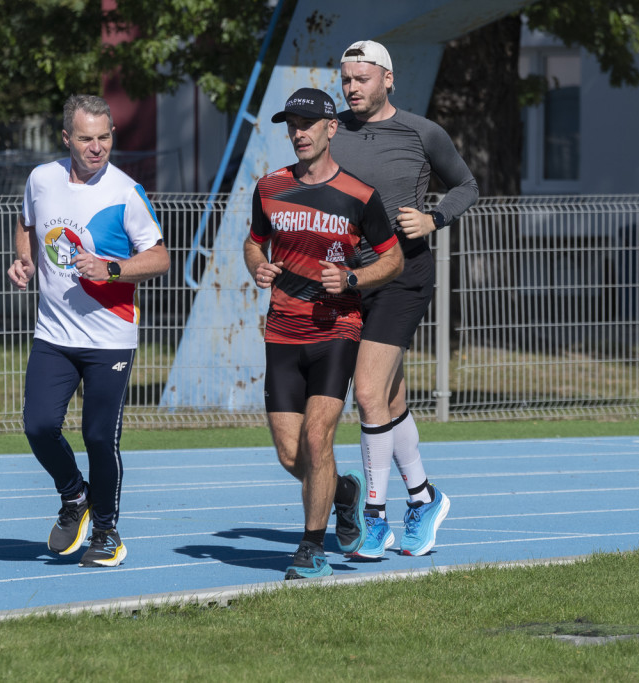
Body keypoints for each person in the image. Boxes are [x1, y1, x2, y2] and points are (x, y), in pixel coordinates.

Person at [244, 87, 404, 579]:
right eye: (292, 124)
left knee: (318, 440)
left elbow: (393, 259)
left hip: (336, 329)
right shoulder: (269, 188)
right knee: (292, 454)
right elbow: (254, 243)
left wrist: (353, 278)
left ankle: (311, 548)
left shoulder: (359, 196)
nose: (298, 132)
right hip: (282, 333)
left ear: (331, 128)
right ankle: (344, 492)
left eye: (308, 124)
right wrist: (259, 268)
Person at [7, 94, 170, 568]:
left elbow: (159, 257)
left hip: (109, 338)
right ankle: (75, 495)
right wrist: (24, 259)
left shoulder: (125, 191)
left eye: (104, 137)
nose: (97, 148)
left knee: (100, 437)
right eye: (86, 139)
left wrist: (112, 268)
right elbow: (27, 223)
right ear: (66, 138)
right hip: (53, 334)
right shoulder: (42, 179)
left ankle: (107, 531)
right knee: (38, 425)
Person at [332, 40, 479, 558]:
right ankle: (424, 499)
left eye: (362, 78)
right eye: (346, 78)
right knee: (388, 399)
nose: (351, 87)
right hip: (351, 281)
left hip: (404, 276)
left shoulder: (422, 132)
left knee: (367, 394)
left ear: (387, 79)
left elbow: (467, 185)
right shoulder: (332, 134)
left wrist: (434, 217)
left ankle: (374, 519)